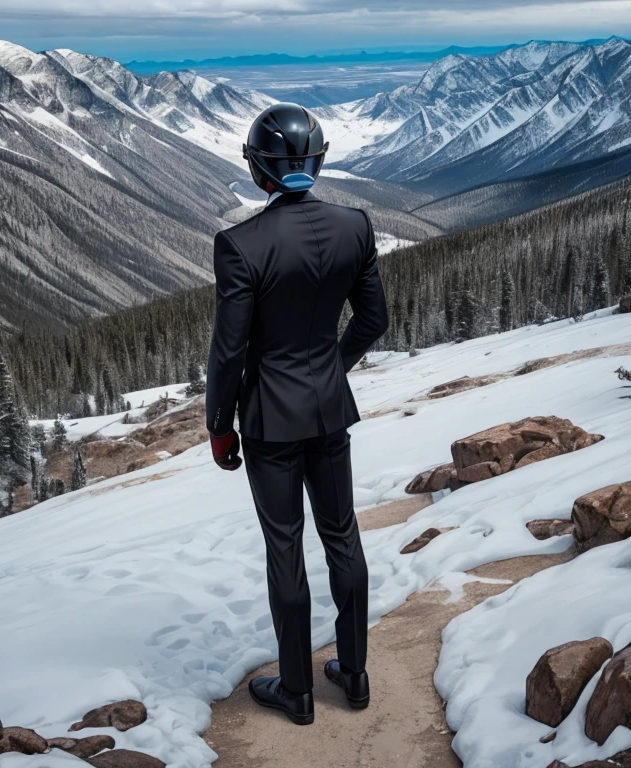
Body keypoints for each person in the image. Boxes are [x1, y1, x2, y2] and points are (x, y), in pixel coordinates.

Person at [205, 102, 389, 726]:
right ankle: (355, 676)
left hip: (268, 423)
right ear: (319, 160)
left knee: (284, 546)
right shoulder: (355, 226)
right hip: (330, 411)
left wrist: (218, 426)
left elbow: (229, 352)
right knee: (343, 535)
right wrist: (331, 369)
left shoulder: (240, 246)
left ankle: (297, 691)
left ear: (259, 171)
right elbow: (373, 321)